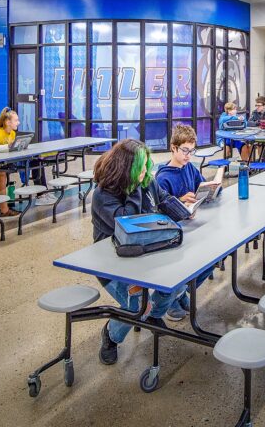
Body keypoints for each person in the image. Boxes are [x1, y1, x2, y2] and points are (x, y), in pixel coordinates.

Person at [90, 139, 211, 364]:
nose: (146, 171)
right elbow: (129, 222)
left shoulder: (146, 181)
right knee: (136, 305)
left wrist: (184, 211)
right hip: (115, 265)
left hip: (150, 252)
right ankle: (111, 335)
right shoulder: (103, 195)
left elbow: (163, 200)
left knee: (175, 282)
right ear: (127, 168)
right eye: (142, 166)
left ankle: (153, 316)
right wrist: (137, 188)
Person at [155, 125, 216, 321]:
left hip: (193, 226)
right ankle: (173, 299)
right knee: (182, 267)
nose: (189, 155)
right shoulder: (163, 177)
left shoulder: (190, 167)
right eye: (185, 151)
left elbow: (201, 184)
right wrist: (180, 202)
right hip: (175, 231)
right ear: (173, 148)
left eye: (192, 151)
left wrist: (212, 188)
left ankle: (180, 294)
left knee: (212, 260)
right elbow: (160, 210)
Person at [0, 108, 21, 217]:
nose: (19, 122)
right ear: (8, 122)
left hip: (3, 163)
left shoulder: (12, 133)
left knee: (2, 176)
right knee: (1, 176)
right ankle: (4, 210)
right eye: (16, 120)